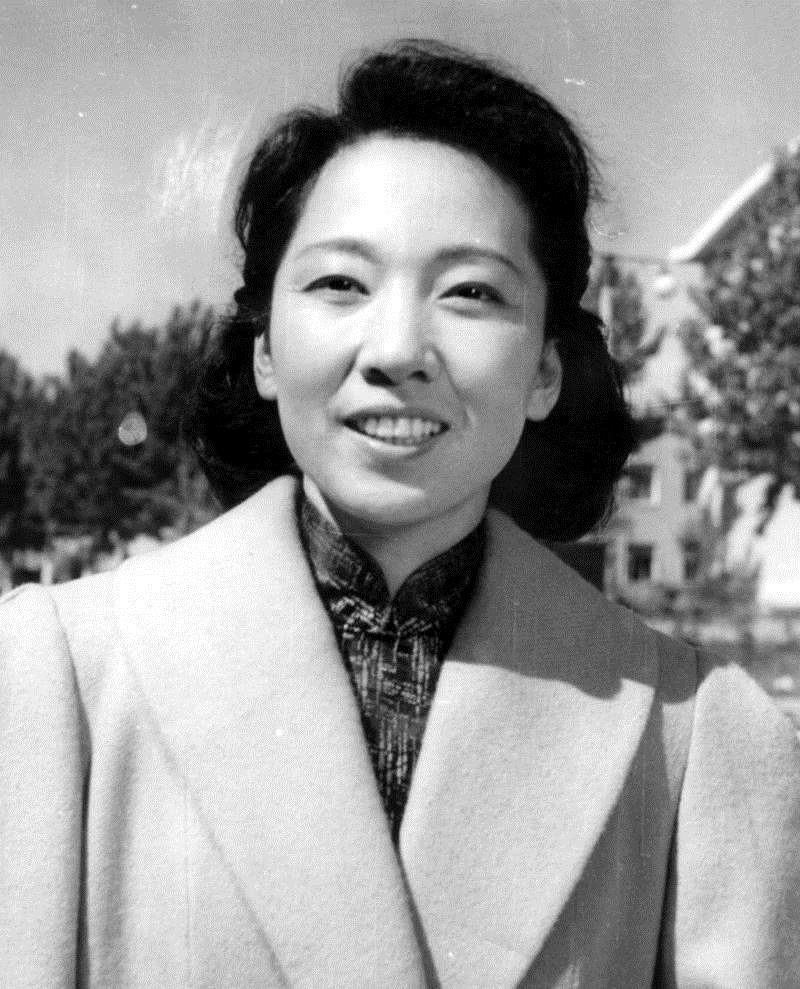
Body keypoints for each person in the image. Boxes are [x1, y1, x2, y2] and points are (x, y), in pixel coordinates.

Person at [1, 39, 799, 989]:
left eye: (471, 292)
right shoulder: (60, 676)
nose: (395, 349)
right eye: (340, 283)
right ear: (265, 351)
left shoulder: (693, 730)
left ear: (545, 371)